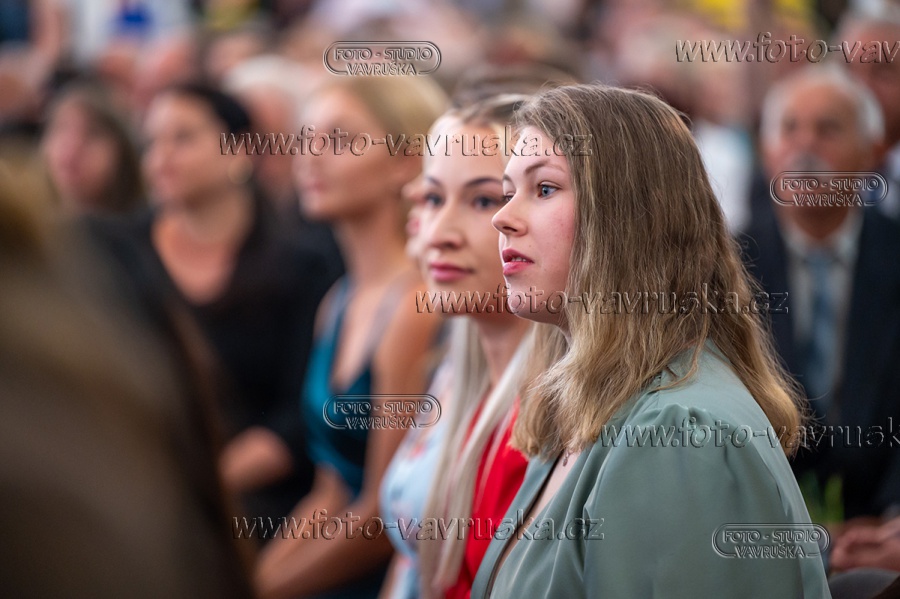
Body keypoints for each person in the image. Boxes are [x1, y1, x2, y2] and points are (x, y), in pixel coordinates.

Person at [470, 83, 830, 597]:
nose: (502, 217)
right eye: (508, 192)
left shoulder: (684, 435)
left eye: (544, 189)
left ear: (628, 216)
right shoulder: (585, 405)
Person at [96, 82, 336, 533]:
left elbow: (301, 412)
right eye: (152, 141)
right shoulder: (114, 252)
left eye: (182, 138)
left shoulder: (301, 264)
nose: (161, 157)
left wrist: (202, 484)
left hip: (257, 500)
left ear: (239, 150)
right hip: (128, 484)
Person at [255, 76, 447, 599]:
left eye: (338, 139)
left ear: (405, 162)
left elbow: (380, 518)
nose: (310, 157)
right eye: (306, 137)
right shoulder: (337, 300)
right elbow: (330, 490)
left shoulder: (414, 306)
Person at [378, 95, 536, 599]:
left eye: (484, 201)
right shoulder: (454, 367)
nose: (440, 234)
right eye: (431, 198)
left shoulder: (548, 414)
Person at [740, 67, 900, 523]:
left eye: (828, 129)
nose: (805, 145)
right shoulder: (725, 269)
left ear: (873, 152)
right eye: (789, 128)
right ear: (766, 151)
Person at [42, 81, 143, 214]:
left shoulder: (153, 224)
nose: (72, 148)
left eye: (93, 133)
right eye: (61, 128)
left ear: (123, 152)